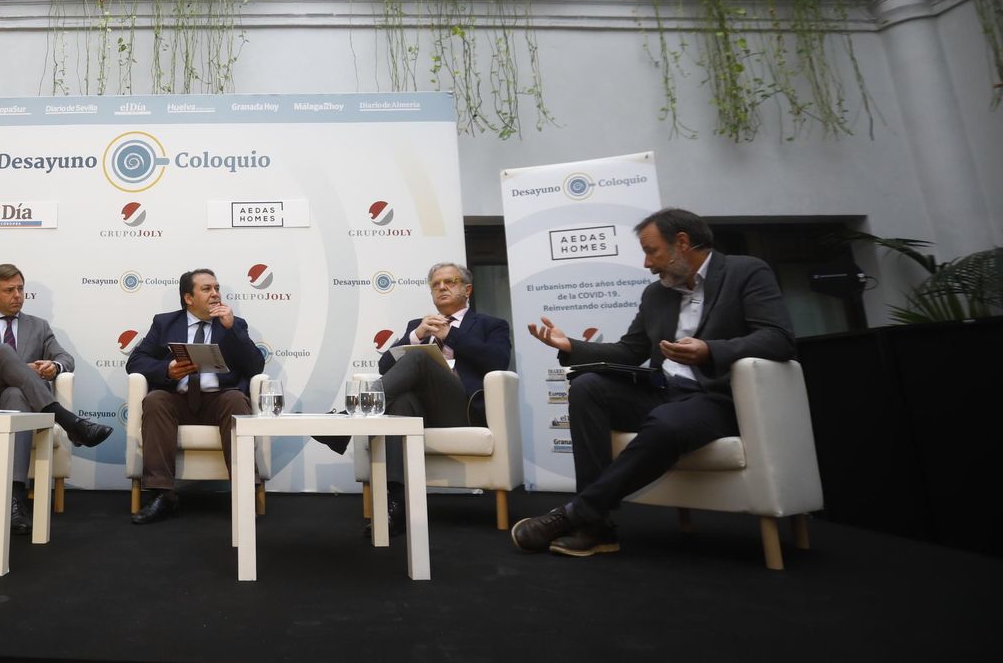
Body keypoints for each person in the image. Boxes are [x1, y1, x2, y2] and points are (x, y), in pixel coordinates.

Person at [515, 207, 796, 557]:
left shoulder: (746, 272)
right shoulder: (656, 294)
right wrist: (571, 345)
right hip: (663, 392)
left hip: (716, 398)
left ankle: (579, 514)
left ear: (682, 243)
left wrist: (711, 350)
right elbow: (631, 351)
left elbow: (778, 338)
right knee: (588, 385)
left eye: (651, 251)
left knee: (665, 424)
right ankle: (596, 527)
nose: (648, 264)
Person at [318, 263, 511, 535]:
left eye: (450, 281)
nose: (441, 287)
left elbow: (497, 360)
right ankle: (396, 507)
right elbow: (386, 367)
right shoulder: (417, 327)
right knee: (400, 403)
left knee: (419, 357)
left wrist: (450, 334)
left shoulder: (492, 325)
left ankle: (348, 420)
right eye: (435, 284)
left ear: (467, 289)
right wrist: (417, 334)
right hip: (419, 411)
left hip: (462, 410)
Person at [0, 263, 112, 533]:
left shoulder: (38, 326)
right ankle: (69, 422)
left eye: (20, 289)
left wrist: (55, 367)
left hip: (22, 403)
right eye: (9, 290)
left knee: (16, 394)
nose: (17, 295)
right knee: (3, 352)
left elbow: (66, 358)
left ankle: (15, 501)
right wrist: (13, 367)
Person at [126, 268, 266, 524]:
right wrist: (167, 369)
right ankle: (163, 495)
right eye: (207, 289)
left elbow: (256, 367)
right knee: (155, 400)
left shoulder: (234, 324)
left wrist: (232, 328)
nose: (215, 294)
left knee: (236, 400)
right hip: (178, 401)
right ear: (188, 298)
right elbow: (135, 362)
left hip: (219, 400)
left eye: (217, 288)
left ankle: (245, 491)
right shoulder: (165, 323)